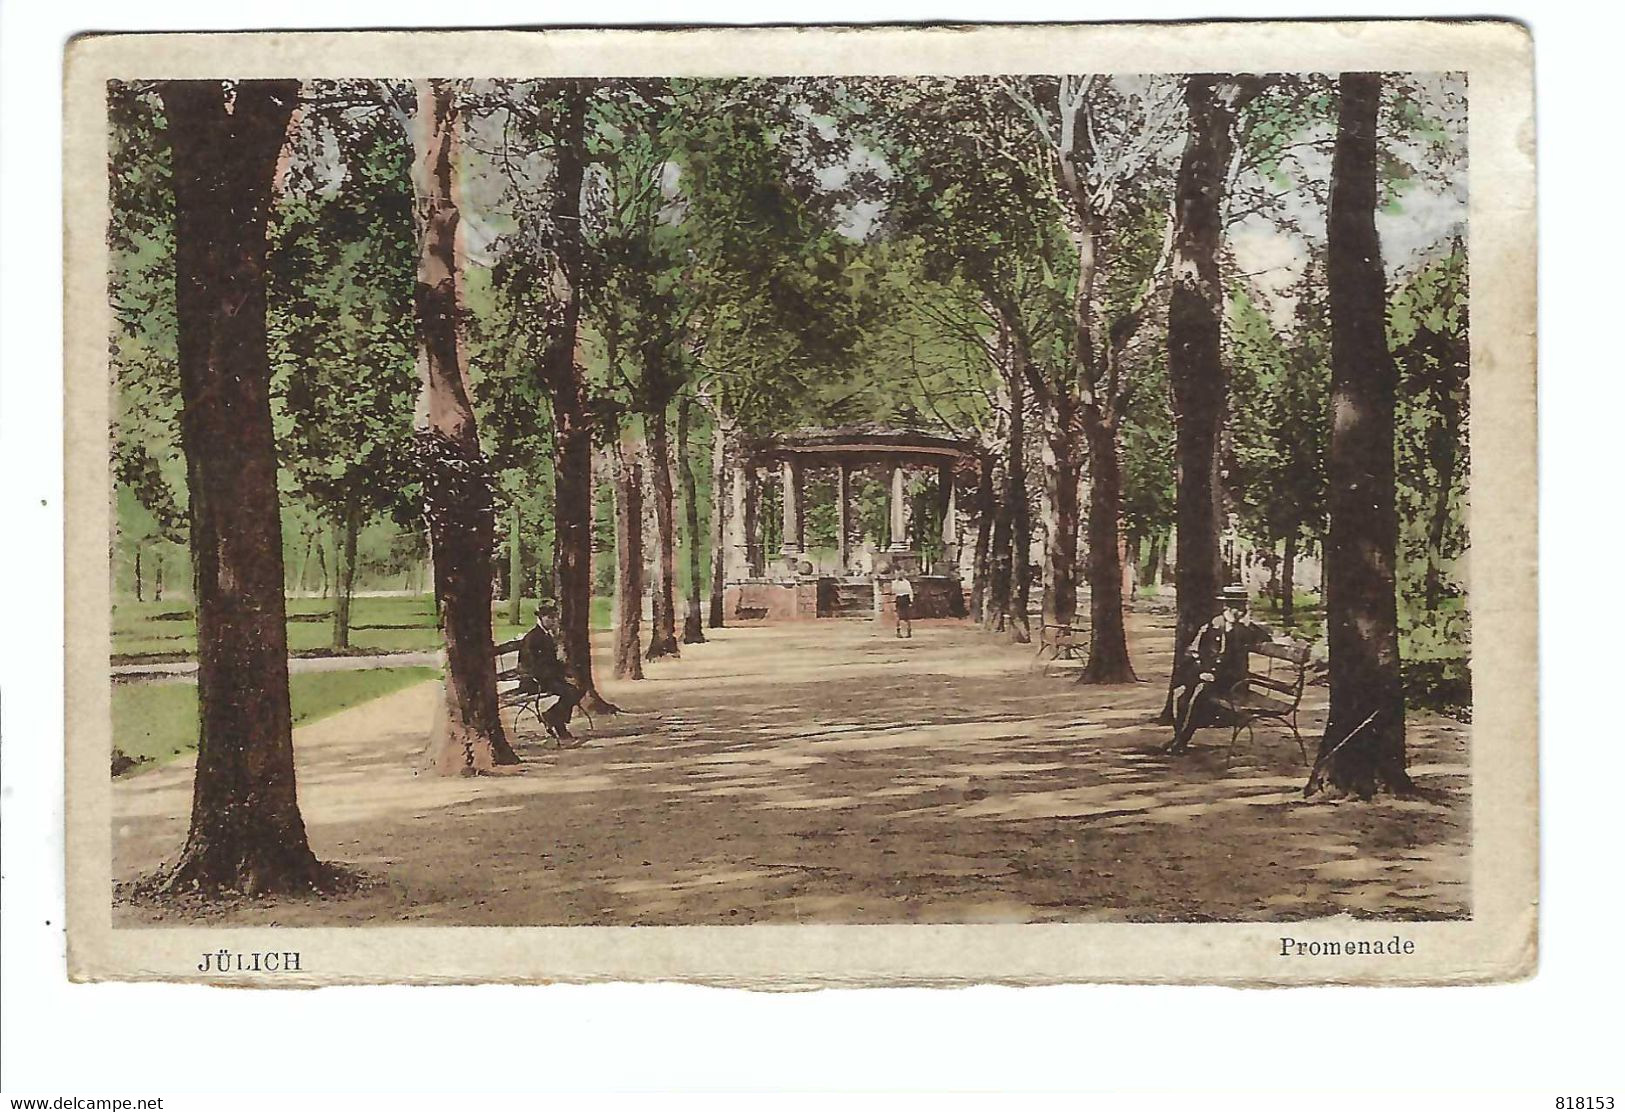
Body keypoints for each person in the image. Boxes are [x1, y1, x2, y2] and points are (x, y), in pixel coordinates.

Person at [1164, 585, 1273, 754]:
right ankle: (1179, 738)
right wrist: (1202, 669)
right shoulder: (1214, 625)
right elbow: (1193, 649)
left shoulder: (1247, 628)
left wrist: (1246, 625)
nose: (1237, 610)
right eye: (1233, 605)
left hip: (1233, 681)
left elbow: (1266, 638)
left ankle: (1181, 741)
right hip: (1209, 675)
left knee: (1198, 697)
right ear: (1225, 606)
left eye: (1241, 605)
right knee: (1181, 694)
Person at [518, 601, 582, 741]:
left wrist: (564, 672)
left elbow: (550, 662)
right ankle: (554, 720)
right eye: (548, 617)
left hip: (545, 677)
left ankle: (553, 719)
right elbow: (531, 665)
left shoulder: (546, 635)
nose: (552, 620)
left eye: (554, 617)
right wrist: (557, 676)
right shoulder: (533, 637)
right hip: (533, 680)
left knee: (576, 689)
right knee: (571, 692)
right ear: (540, 618)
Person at [891, 572, 914, 638]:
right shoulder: (894, 583)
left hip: (906, 598)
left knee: (908, 616)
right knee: (898, 615)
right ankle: (898, 631)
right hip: (899, 598)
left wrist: (911, 600)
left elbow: (910, 591)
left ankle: (909, 631)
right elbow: (894, 591)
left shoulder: (906, 582)